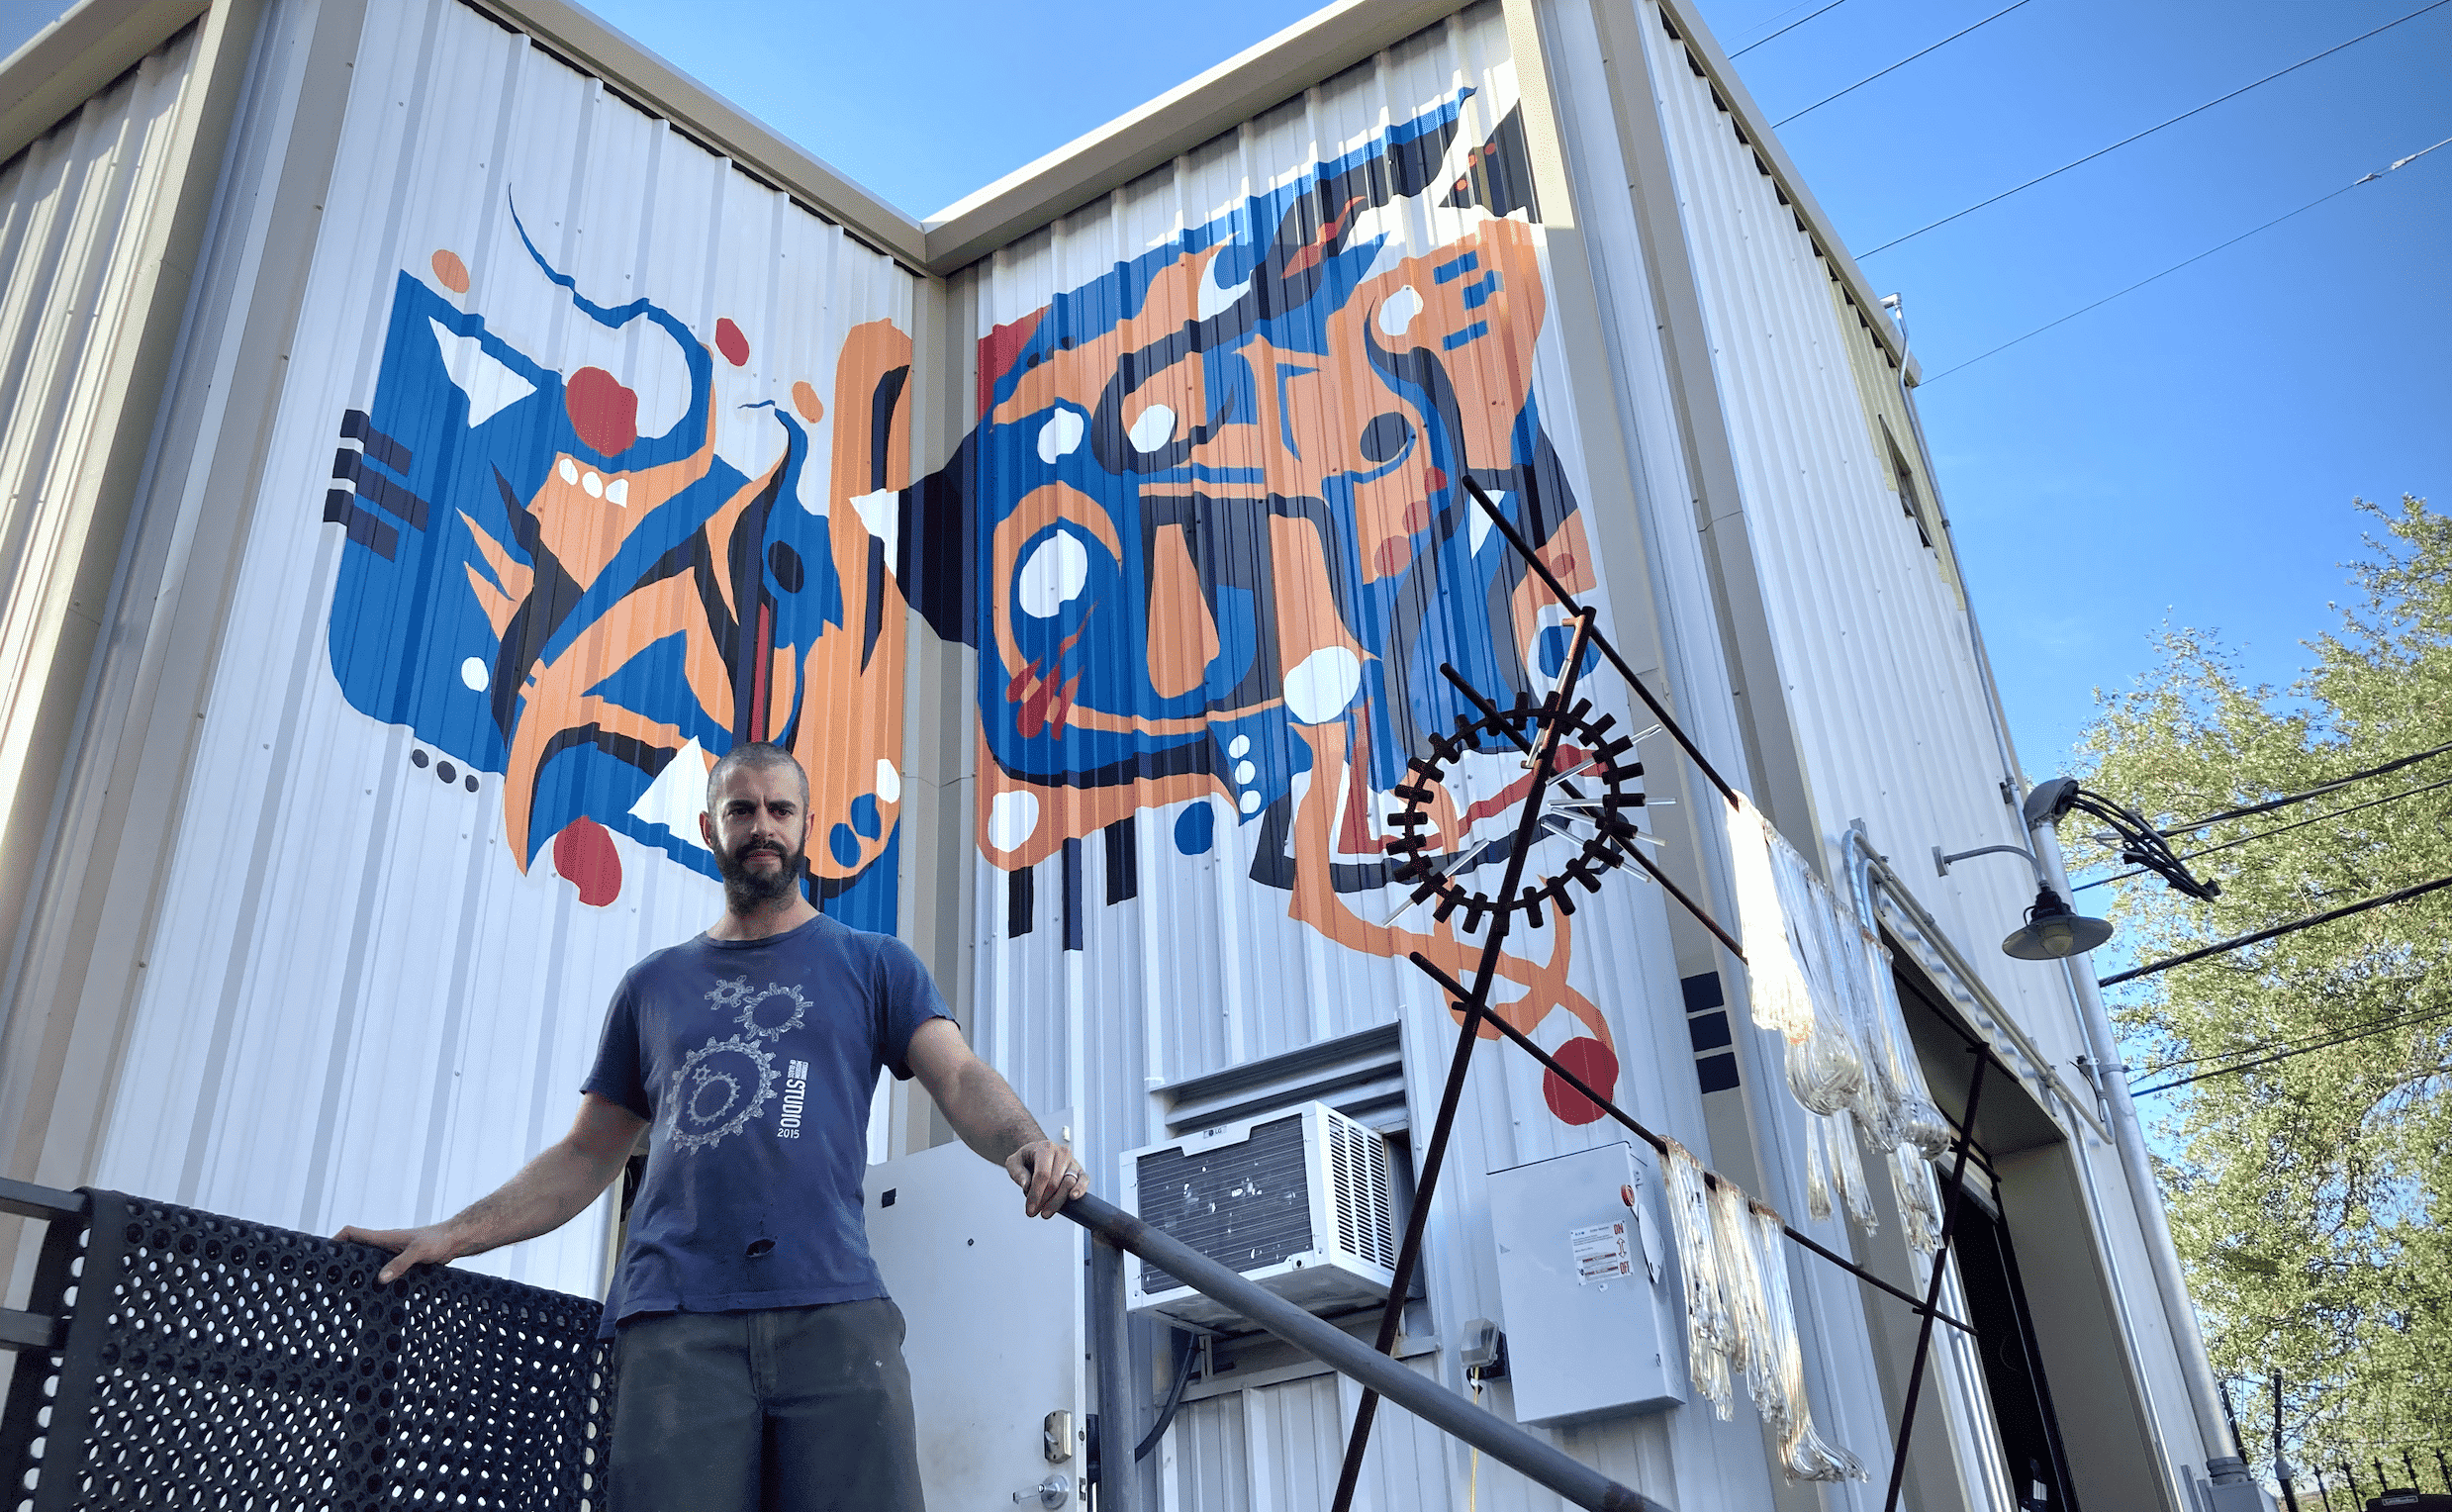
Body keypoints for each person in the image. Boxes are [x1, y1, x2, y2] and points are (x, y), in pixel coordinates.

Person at [337, 741, 1086, 1512]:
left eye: (779, 810)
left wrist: (1022, 1141)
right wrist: (451, 1235)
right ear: (708, 826)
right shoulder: (652, 987)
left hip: (832, 1310)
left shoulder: (874, 964)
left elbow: (957, 1073)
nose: (761, 825)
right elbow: (586, 1155)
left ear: (806, 826)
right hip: (675, 1327)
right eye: (741, 809)